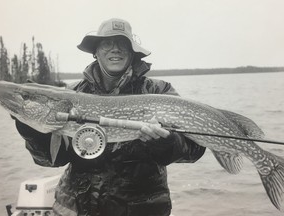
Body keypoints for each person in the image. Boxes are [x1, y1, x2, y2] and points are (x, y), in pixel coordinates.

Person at [15, 18, 206, 216]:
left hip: (139, 210)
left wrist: (165, 143)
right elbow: (52, 160)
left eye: (122, 44)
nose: (115, 49)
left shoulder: (159, 91)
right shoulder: (72, 95)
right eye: (107, 43)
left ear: (132, 52)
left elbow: (194, 150)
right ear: (95, 52)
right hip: (77, 208)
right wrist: (31, 130)